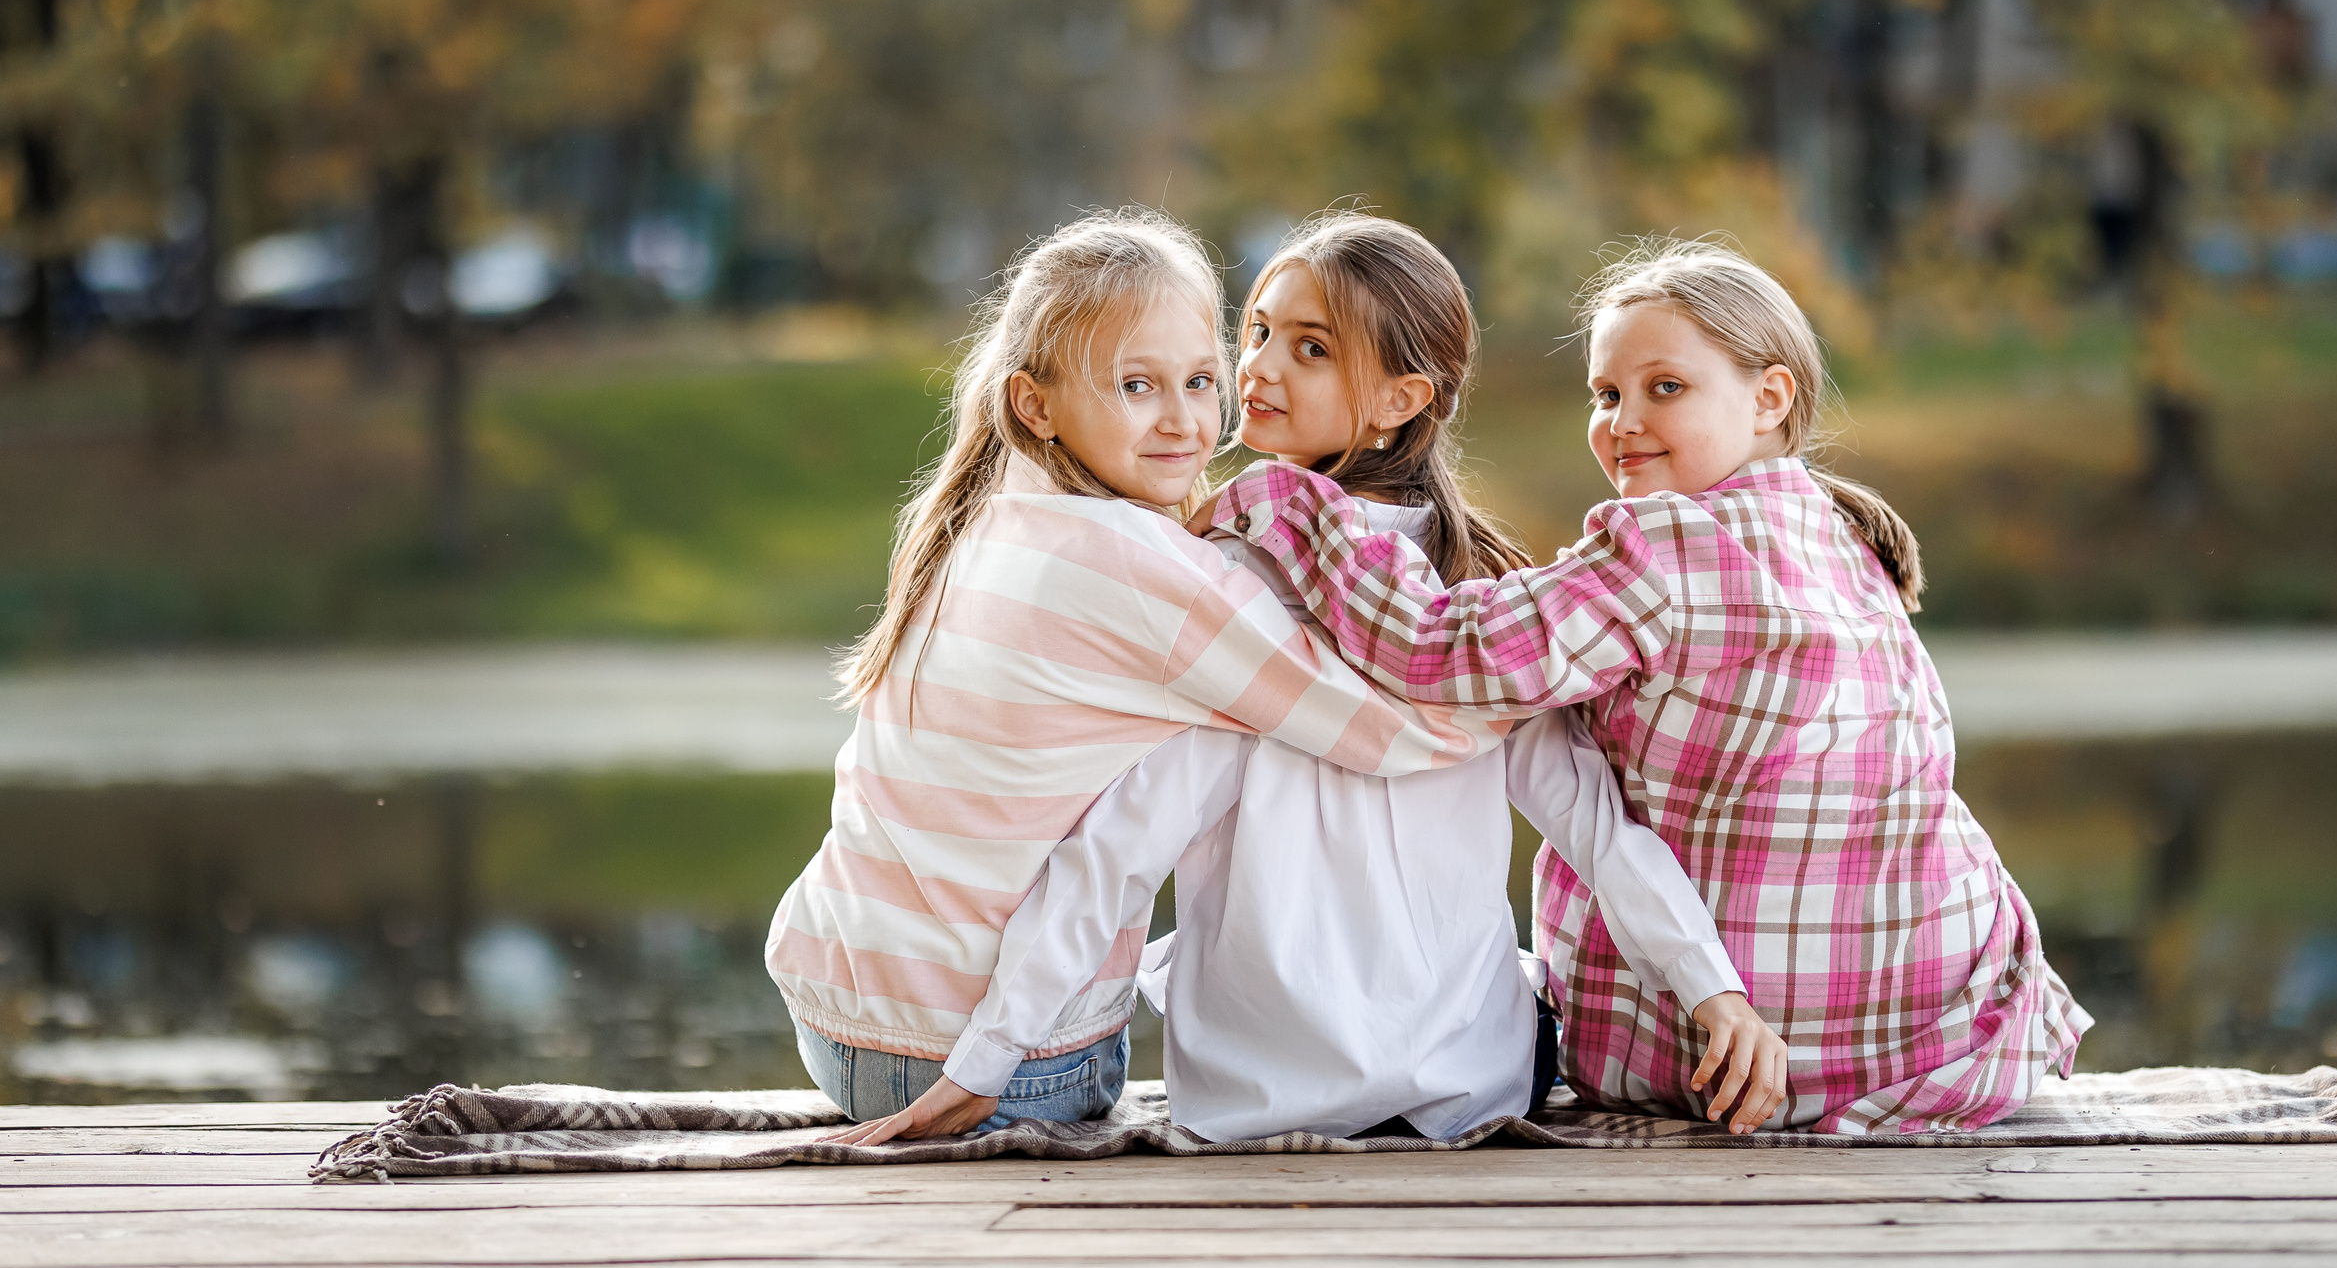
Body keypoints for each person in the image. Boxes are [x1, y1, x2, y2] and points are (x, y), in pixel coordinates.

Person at [847, 214, 1786, 1145]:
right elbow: (1594, 823)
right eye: (1255, 331)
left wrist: (986, 1060)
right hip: (1473, 1082)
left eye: (1308, 348)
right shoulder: (1490, 614)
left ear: (1398, 398)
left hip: (1258, 1094)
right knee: (1526, 977)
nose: (1257, 366)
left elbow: (1119, 844)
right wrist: (1714, 989)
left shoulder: (1227, 589)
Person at [1210, 237, 2092, 1134]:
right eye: (1606, 394)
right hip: (1943, 1029)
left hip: (1739, 1050)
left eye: (1663, 387)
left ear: (1770, 396)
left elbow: (1441, 651)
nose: (1623, 419)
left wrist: (1286, 502)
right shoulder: (1844, 537)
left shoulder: (1663, 549)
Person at [766, 207, 1508, 1135]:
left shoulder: (990, 509)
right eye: (1135, 385)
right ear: (1035, 404)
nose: (1187, 421)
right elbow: (1388, 726)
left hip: (834, 1013)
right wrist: (1536, 694)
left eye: (1200, 380)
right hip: (985, 1066)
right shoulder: (1144, 569)